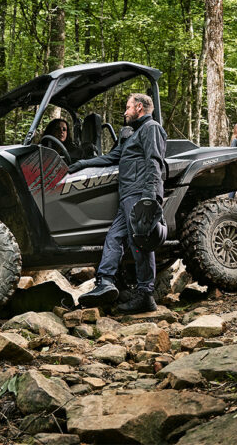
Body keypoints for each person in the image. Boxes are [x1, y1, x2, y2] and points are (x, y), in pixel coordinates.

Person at [68, 93, 167, 313]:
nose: (125, 112)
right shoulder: (134, 134)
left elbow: (154, 162)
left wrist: (149, 199)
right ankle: (105, 283)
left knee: (139, 242)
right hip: (127, 196)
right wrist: (82, 164)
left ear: (139, 107)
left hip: (140, 194)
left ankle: (145, 295)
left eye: (128, 107)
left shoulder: (151, 128)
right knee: (113, 237)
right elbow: (112, 157)